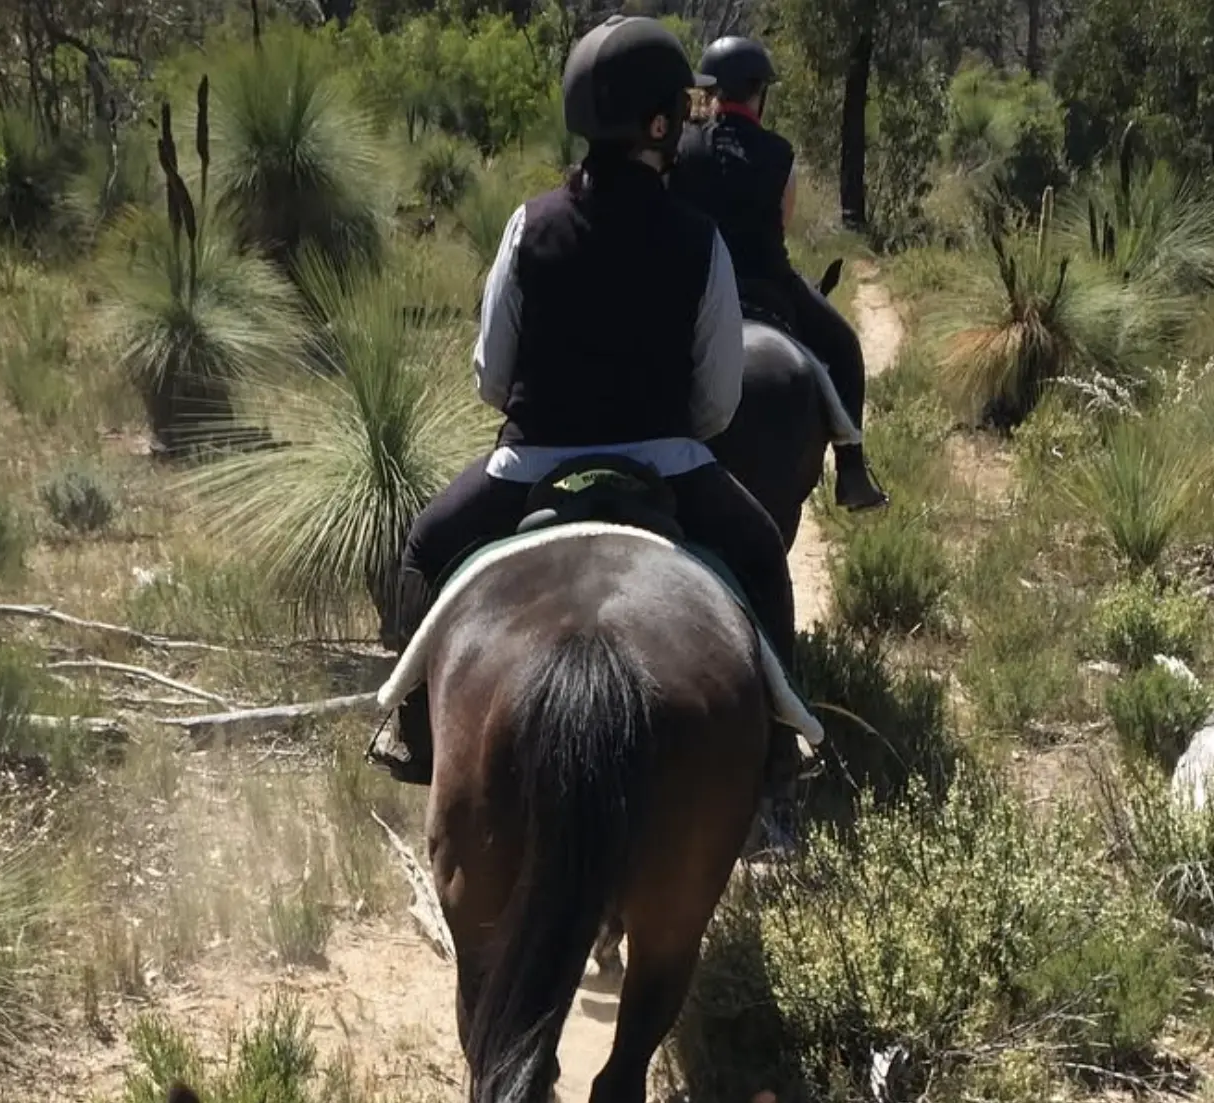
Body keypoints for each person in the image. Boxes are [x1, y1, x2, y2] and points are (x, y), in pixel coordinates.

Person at [372, 13, 799, 847]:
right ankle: (780, 750)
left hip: (527, 465)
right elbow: (716, 401)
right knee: (762, 559)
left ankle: (411, 732)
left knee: (423, 547)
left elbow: (490, 376)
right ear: (660, 123)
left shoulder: (530, 224)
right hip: (670, 467)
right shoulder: (698, 238)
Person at [671, 35, 887, 513]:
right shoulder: (779, 154)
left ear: (712, 91)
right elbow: (782, 221)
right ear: (758, 93)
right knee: (843, 346)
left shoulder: (682, 147)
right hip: (767, 283)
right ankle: (852, 468)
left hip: (695, 287)